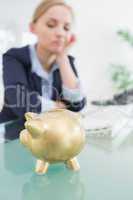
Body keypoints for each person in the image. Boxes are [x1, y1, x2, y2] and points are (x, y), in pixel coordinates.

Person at [0, 0, 86, 123]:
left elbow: (77, 105)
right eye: (51, 25)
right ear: (33, 27)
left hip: (49, 134)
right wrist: (58, 108)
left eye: (66, 28)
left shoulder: (67, 61)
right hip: (12, 134)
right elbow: (18, 101)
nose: (60, 33)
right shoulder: (14, 57)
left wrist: (62, 58)